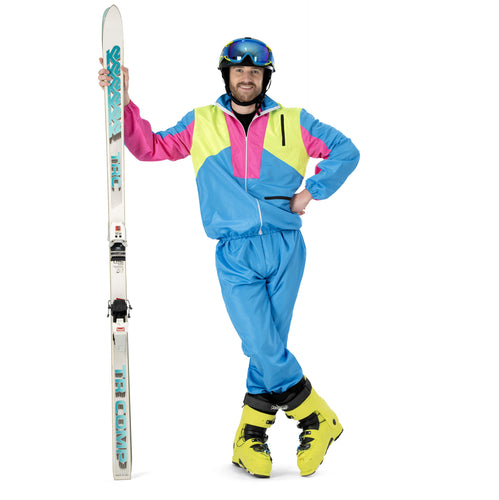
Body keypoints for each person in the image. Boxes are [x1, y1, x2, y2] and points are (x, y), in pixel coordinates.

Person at [98, 37, 360, 478]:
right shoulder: (202, 122)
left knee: (267, 345)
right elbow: (149, 148)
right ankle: (315, 415)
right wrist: (122, 103)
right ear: (226, 75)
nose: (246, 78)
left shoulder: (294, 121)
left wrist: (311, 192)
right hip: (236, 252)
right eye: (239, 71)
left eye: (255, 72)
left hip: (286, 247)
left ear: (265, 78)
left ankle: (249, 436)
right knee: (260, 343)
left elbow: (346, 151)